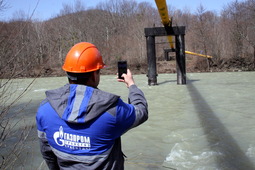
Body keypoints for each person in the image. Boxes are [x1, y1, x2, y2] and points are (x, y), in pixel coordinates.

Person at [36, 42, 148, 170]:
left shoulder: (45, 108)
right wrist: (131, 85)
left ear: (67, 72)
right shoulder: (112, 109)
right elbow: (141, 111)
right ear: (94, 75)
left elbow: (47, 152)